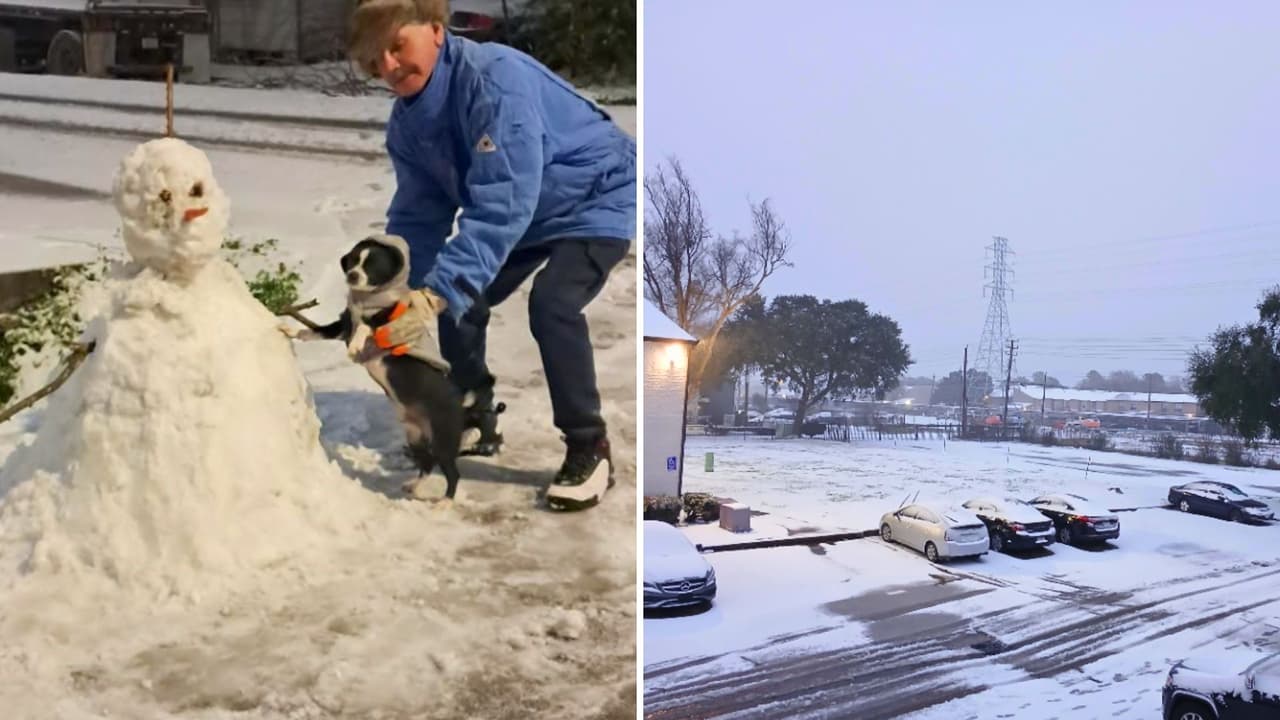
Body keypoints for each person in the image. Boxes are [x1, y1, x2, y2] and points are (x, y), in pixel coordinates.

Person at [348, 0, 635, 510]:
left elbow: (504, 198)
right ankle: (473, 413)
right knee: (453, 292)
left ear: (436, 30)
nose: (389, 66)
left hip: (598, 196)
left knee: (552, 304)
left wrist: (438, 292)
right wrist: (396, 292)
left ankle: (589, 446)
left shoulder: (495, 81)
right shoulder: (408, 125)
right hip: (530, 211)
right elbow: (419, 214)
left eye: (397, 46)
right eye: (375, 59)